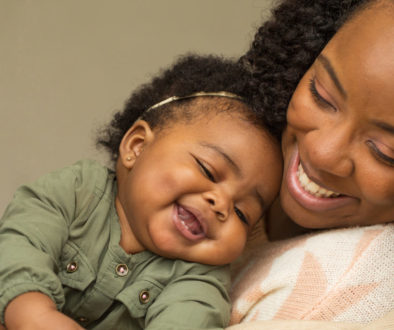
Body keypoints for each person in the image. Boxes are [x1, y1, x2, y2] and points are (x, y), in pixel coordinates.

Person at [0, 54, 283, 330]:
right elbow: (22, 243)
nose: (222, 204)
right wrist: (32, 313)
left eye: (243, 213)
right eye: (208, 171)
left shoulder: (201, 278)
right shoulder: (77, 190)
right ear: (137, 146)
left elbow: (190, 319)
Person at [229, 0, 394, 327]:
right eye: (321, 95)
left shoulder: (341, 292)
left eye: (384, 151)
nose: (323, 152)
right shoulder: (213, 142)